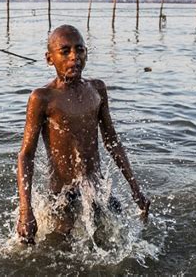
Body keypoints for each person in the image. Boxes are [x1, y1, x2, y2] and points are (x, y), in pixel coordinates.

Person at [16, 25, 150, 244]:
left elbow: (112, 141)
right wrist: (25, 212)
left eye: (80, 50)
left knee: (115, 242)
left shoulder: (97, 89)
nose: (74, 57)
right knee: (58, 250)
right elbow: (26, 155)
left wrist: (135, 189)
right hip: (62, 196)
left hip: (96, 189)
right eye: (65, 51)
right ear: (50, 59)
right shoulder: (43, 98)